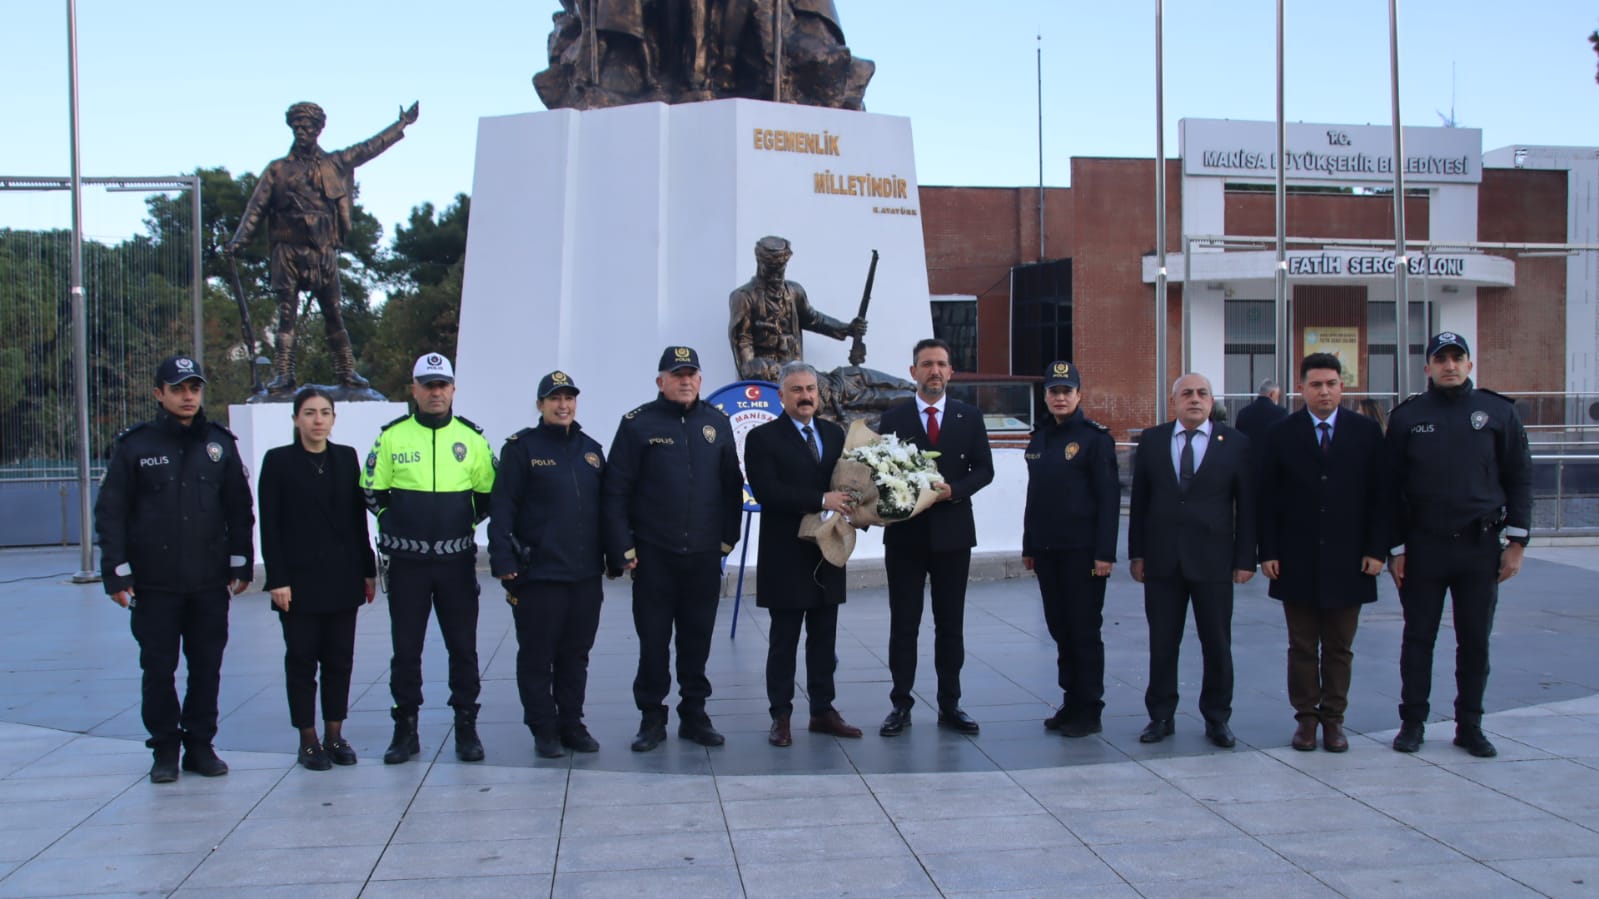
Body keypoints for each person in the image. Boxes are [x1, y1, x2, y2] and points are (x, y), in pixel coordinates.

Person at [94, 354, 254, 783]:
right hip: (155, 582)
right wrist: (116, 572)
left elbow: (240, 508)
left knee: (206, 667)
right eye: (179, 388)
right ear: (159, 394)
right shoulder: (137, 446)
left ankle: (200, 745)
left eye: (194, 388)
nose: (188, 396)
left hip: (207, 581)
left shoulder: (220, 444)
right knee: (159, 668)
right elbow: (111, 513)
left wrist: (241, 563)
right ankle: (165, 748)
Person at [1386, 332, 1531, 759]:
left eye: (1457, 357)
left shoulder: (1497, 413)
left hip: (1480, 546)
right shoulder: (1407, 417)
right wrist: (1397, 549)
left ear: (1469, 364)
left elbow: (1519, 477)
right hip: (1424, 547)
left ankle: (1470, 725)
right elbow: (1390, 488)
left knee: (1475, 640)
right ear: (1427, 367)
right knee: (1418, 639)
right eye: (1441, 359)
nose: (1449, 365)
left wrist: (1517, 542)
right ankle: (1413, 723)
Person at [602, 346, 744, 752]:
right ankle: (651, 717)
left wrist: (726, 540)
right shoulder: (637, 425)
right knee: (653, 640)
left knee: (697, 639)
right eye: (676, 374)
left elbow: (731, 486)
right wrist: (623, 547)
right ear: (660, 381)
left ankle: (694, 714)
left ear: (700, 380)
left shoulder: (716, 423)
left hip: (701, 555)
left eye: (691, 374)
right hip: (654, 555)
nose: (685, 381)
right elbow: (616, 491)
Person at [225, 100, 418, 393]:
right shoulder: (277, 170)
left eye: (308, 127)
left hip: (322, 251)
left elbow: (369, 148)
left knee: (333, 311)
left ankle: (347, 372)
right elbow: (256, 208)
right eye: (298, 126)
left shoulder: (334, 163)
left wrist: (400, 125)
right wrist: (239, 239)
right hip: (287, 250)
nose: (302, 131)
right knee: (286, 314)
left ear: (318, 130)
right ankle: (284, 374)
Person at [362, 353, 496, 764]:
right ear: (415, 390)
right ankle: (405, 729)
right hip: (408, 566)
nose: (435, 392)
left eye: (442, 385)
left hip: (456, 564)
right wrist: (396, 522)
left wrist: (461, 523)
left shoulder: (472, 439)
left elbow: (489, 495)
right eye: (428, 385)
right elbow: (372, 491)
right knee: (406, 649)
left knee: (464, 649)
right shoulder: (392, 437)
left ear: (453, 389)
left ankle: (466, 728)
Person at [1257, 354, 1387, 753]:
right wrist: (1268, 551)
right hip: (1295, 558)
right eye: (1316, 384)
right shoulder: (1282, 433)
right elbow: (1267, 498)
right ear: (1302, 389)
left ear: (1342, 387)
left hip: (1350, 559)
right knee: (1301, 646)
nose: (1324, 391)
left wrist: (1377, 549)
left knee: (1339, 647)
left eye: (1331, 383)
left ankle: (1333, 720)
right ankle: (1306, 720)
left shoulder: (1366, 432)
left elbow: (1381, 497)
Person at [488, 371, 612, 759]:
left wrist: (617, 554)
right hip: (539, 574)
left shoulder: (591, 450)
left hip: (584, 574)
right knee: (538, 655)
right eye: (555, 399)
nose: (563, 405)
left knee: (576, 654)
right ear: (540, 405)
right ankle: (543, 728)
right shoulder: (521, 448)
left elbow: (607, 509)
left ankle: (572, 723)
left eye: (569, 398)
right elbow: (502, 508)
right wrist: (503, 560)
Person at [1128, 373, 1256, 748]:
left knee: (1216, 642)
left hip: (1214, 560)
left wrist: (1246, 557)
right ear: (1174, 402)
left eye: (1202, 393)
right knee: (1162, 642)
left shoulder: (1235, 443)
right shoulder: (1152, 441)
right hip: (1163, 561)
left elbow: (1247, 505)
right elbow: (1140, 503)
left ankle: (1217, 718)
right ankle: (1160, 715)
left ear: (1212, 400)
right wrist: (1137, 553)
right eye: (1187, 394)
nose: (1195, 399)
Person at [876, 338, 995, 737]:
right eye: (926, 364)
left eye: (941, 364)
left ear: (951, 372)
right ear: (913, 372)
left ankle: (950, 704)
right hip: (906, 537)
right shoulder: (893, 419)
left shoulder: (969, 416)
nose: (934, 371)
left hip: (953, 535)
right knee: (904, 625)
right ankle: (900, 704)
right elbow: (878, 473)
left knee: (950, 625)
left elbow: (984, 469)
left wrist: (954, 490)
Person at [742, 361, 863, 747]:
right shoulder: (762, 438)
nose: (806, 396)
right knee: (784, 640)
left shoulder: (833, 432)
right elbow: (767, 493)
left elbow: (849, 481)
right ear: (781, 396)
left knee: (824, 638)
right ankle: (781, 715)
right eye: (797, 390)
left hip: (828, 551)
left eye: (811, 388)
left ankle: (823, 710)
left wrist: (861, 507)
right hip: (785, 554)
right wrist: (819, 499)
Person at [257, 387, 377, 770]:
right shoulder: (278, 462)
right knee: (303, 660)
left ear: (334, 419)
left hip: (342, 578)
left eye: (325, 412)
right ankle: (307, 739)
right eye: (309, 413)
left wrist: (367, 569)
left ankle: (335, 734)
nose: (318, 420)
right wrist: (278, 578)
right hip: (298, 582)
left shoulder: (346, 458)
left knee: (340, 659)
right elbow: (270, 527)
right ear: (296, 419)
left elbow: (358, 521)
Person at [1022, 361, 1119, 739]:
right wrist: (1029, 545)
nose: (1060, 397)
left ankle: (1089, 707)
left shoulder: (1095, 439)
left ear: (1079, 395)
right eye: (1053, 391)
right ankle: (1071, 700)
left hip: (1083, 553)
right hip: (1048, 551)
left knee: (1083, 631)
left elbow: (1108, 500)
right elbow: (1035, 497)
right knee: (1060, 629)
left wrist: (1105, 554)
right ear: (1045, 396)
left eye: (1066, 391)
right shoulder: (1041, 436)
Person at [727, 235, 867, 384]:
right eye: (770, 271)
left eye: (780, 271)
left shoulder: (794, 292)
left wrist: (847, 329)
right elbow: (743, 344)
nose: (775, 277)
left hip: (796, 374)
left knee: (846, 382)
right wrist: (754, 376)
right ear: (760, 264)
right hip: (766, 378)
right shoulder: (743, 297)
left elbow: (814, 320)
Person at [1234, 378, 1288, 443]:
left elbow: (1238, 437)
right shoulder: (1281, 413)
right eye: (1277, 395)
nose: (1277, 398)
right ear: (1272, 394)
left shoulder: (1243, 412)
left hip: (1248, 452)